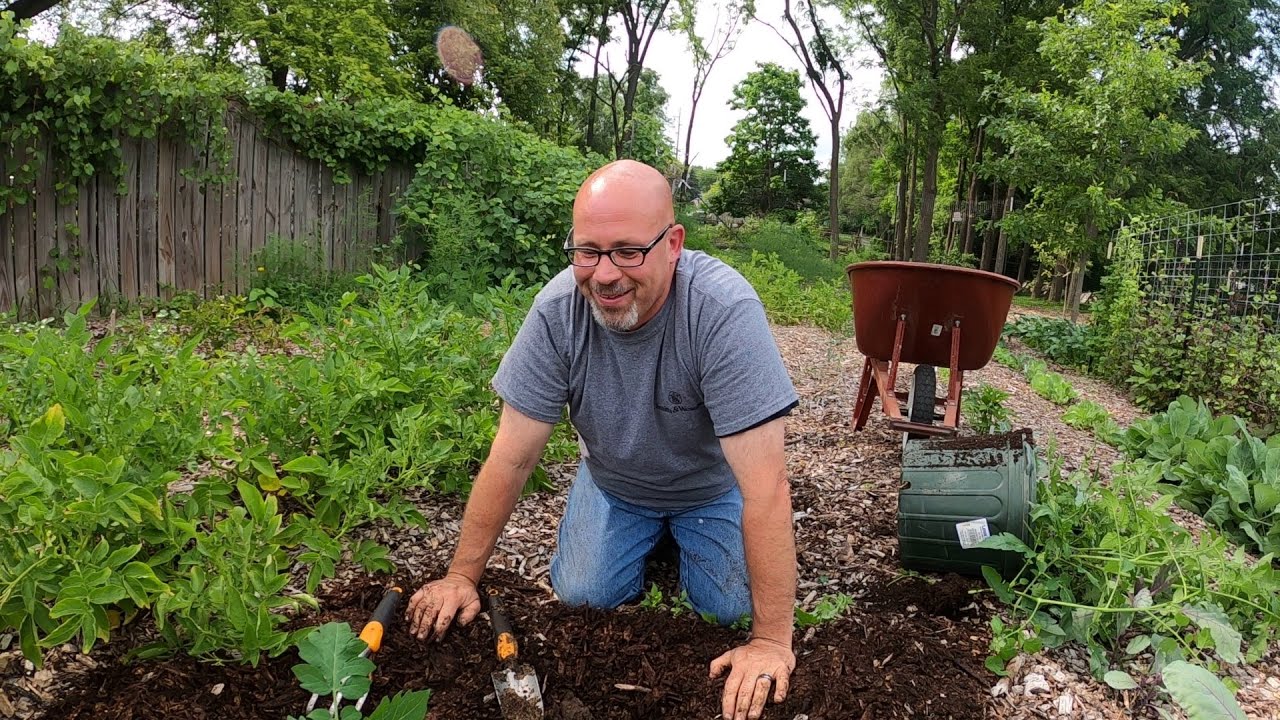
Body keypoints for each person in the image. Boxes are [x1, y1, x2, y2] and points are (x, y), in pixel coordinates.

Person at [405, 159, 799, 720]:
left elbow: (766, 488)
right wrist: (462, 575)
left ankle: (682, 535)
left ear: (673, 244)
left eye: (627, 250)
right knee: (583, 596)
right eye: (588, 251)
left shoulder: (721, 313)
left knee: (730, 607)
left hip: (710, 489)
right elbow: (512, 456)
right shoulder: (558, 312)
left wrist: (770, 643)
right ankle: (647, 532)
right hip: (616, 483)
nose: (605, 273)